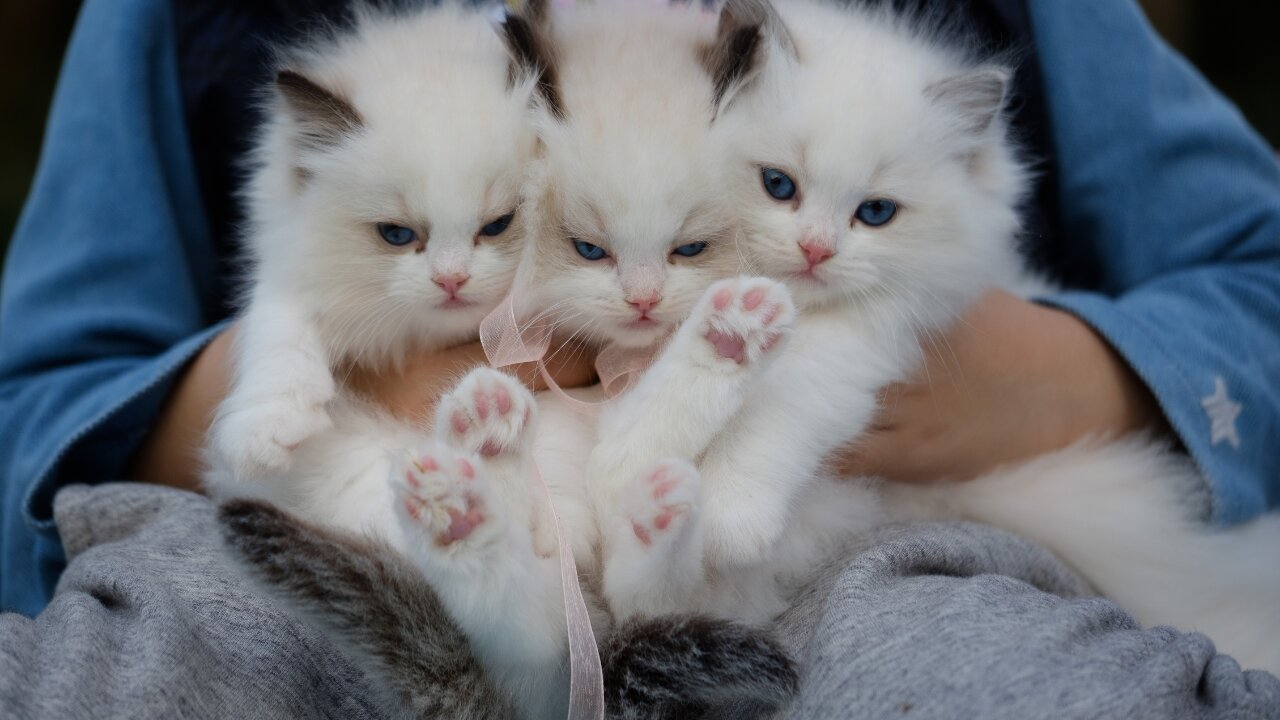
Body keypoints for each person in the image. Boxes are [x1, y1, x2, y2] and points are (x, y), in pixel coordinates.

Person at [0, 0, 1278, 715]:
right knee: (159, 658)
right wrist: (345, 365)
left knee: (991, 673)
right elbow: (37, 397)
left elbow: (1254, 269)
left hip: (868, 539)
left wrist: (1053, 377)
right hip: (362, 548)